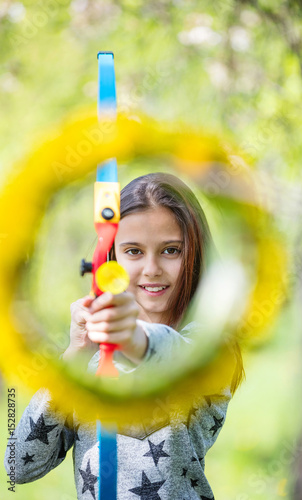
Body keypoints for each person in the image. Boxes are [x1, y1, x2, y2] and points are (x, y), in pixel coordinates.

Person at [4, 173, 244, 499]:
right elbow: (19, 466)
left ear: (195, 255)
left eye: (171, 250)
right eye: (133, 251)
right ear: (110, 258)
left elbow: (175, 356)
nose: (151, 268)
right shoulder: (88, 359)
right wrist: (74, 355)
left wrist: (133, 338)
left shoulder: (211, 345)